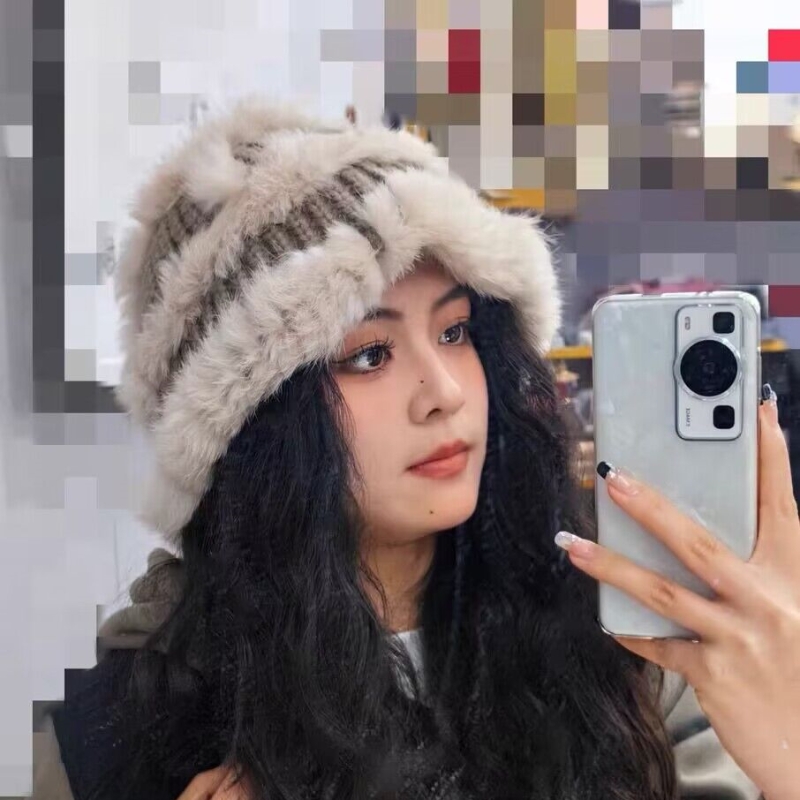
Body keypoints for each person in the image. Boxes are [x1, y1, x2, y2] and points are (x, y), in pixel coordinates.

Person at [31, 94, 800, 800]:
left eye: (455, 332)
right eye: (369, 354)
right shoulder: (120, 727)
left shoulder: (623, 642)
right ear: (252, 422)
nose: (446, 392)